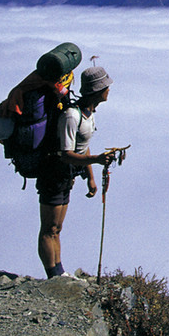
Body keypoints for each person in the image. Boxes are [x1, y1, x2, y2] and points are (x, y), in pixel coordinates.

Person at [35, 65, 116, 278]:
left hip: (66, 175)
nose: (109, 90)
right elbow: (65, 153)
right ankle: (53, 276)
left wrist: (90, 177)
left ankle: (59, 272)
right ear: (97, 90)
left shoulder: (88, 114)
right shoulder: (72, 116)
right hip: (53, 173)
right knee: (49, 228)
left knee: (57, 228)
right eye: (106, 87)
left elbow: (83, 146)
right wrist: (96, 160)